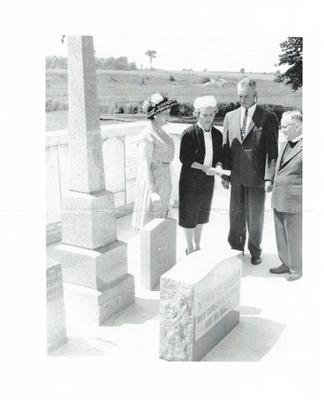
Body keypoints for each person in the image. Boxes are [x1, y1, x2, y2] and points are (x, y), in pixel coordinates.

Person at [222, 77, 278, 265]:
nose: (242, 100)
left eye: (246, 96)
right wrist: (224, 174)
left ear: (255, 95)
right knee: (235, 214)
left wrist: (269, 177)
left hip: (256, 179)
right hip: (236, 177)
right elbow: (225, 148)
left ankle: (255, 251)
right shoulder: (230, 117)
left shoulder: (268, 118)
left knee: (255, 216)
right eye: (239, 96)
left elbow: (273, 151)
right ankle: (236, 249)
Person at [178, 95, 225, 255]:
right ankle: (189, 247)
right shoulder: (189, 133)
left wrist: (218, 166)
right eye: (204, 115)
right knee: (189, 213)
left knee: (202, 213)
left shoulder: (218, 135)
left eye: (211, 115)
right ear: (197, 114)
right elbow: (184, 158)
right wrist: (205, 168)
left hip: (207, 180)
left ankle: (198, 246)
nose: (208, 118)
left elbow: (219, 157)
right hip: (190, 180)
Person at [132, 93, 177, 230]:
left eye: (168, 113)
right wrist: (152, 191)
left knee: (161, 219)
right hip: (153, 181)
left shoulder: (161, 132)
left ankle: (160, 247)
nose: (167, 117)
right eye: (164, 113)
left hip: (164, 179)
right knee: (150, 220)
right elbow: (145, 164)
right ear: (155, 114)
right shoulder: (147, 135)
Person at [269, 111, 302, 281]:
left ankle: (296, 269)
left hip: (294, 199)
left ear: (296, 126)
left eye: (284, 126)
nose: (282, 129)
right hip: (278, 197)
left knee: (294, 235)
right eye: (281, 126)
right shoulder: (283, 145)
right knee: (280, 233)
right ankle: (285, 263)